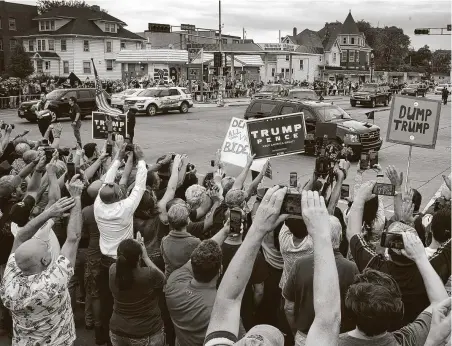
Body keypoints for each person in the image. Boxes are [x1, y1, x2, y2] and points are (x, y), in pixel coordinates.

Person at [205, 189, 341, 346]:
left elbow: (228, 299)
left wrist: (258, 230)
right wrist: (323, 236)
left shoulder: (284, 240)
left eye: (251, 340)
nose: (255, 342)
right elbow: (328, 320)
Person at [346, 181, 451, 327]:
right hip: (416, 332)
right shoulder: (430, 270)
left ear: (389, 247)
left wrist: (360, 198)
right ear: (417, 246)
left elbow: (352, 233)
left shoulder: (375, 266)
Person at [0, 177, 84, 346]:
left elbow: (21, 237)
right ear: (46, 260)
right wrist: (76, 197)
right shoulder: (53, 282)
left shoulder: (9, 282)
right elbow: (73, 238)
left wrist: (49, 213)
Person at [339, 231, 449, 345]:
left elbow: (352, 233)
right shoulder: (406, 340)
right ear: (399, 312)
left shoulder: (329, 341)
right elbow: (442, 304)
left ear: (350, 310)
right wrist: (420, 257)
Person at [283, 215, 358, 345]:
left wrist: (296, 332)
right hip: (339, 337)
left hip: (305, 335)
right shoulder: (352, 268)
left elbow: (289, 307)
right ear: (340, 237)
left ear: (312, 238)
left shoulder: (300, 264)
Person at [164, 223, 230, 346]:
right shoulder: (219, 308)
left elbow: (196, 257)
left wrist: (226, 230)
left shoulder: (174, 281)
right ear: (220, 270)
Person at [109, 235, 166, 346]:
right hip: (145, 332)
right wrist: (145, 257)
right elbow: (163, 279)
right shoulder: (148, 274)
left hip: (117, 330)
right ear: (139, 257)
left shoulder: (112, 270)